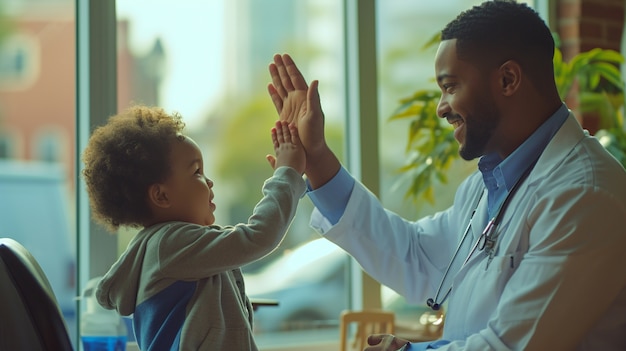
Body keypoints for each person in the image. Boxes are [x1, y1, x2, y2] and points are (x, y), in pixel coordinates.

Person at [267, 1, 626, 350]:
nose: (441, 108)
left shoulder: (585, 193)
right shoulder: (485, 188)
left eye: (450, 86)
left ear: (508, 79)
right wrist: (315, 160)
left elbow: (513, 345)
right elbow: (417, 256)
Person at [81, 105, 306, 351]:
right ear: (161, 195)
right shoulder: (170, 244)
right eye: (196, 172)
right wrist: (287, 174)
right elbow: (259, 236)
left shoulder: (172, 248)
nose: (209, 181)